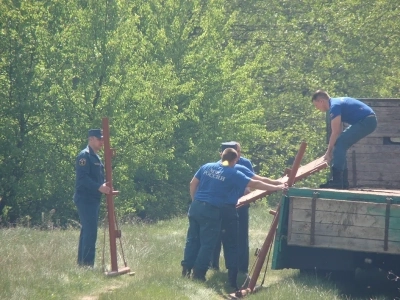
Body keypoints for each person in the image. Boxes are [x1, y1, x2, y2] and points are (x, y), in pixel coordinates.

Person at [181, 148, 286, 286]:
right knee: (207, 244)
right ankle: (198, 274)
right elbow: (256, 184)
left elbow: (192, 183)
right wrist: (278, 188)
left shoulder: (207, 166)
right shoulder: (233, 173)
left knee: (192, 240)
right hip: (211, 210)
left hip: (195, 207)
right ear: (235, 160)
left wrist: (195, 201)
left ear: (222, 156)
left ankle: (185, 270)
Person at [211, 142, 284, 288]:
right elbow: (253, 182)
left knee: (239, 238)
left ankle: (240, 269)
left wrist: (276, 183)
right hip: (226, 206)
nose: (239, 155)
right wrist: (276, 186)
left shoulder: (242, 163)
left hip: (240, 205)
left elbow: (255, 180)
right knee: (217, 237)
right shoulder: (224, 166)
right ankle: (215, 267)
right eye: (237, 152)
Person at [312, 90, 377, 189]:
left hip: (367, 121)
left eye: (316, 105)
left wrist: (328, 152)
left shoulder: (334, 107)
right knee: (340, 144)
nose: (317, 108)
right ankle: (343, 182)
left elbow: (335, 132)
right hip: (367, 120)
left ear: (321, 101)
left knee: (340, 143)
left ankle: (337, 182)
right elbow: (339, 130)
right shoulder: (336, 103)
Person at [74, 129, 110, 267]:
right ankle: (87, 265)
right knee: (90, 232)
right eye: (100, 139)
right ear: (91, 139)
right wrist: (98, 187)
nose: (102, 142)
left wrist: (103, 185)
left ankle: (82, 264)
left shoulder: (96, 156)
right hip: (85, 199)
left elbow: (96, 178)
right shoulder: (85, 156)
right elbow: (82, 179)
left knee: (86, 231)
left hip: (93, 199)